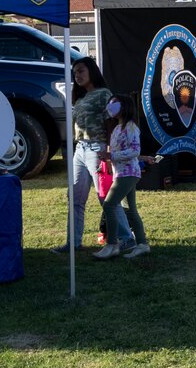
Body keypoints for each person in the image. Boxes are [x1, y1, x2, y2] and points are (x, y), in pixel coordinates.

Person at [56, 59, 111, 254]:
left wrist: (110, 152)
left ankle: (124, 239)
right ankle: (73, 243)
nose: (77, 76)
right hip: (80, 150)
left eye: (81, 71)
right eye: (75, 73)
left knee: (106, 198)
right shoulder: (79, 98)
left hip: (98, 148)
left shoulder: (104, 95)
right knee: (75, 198)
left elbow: (112, 122)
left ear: (92, 71)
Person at [92, 98, 149, 260]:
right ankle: (142, 245)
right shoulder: (117, 128)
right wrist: (108, 157)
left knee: (109, 205)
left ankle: (112, 245)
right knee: (131, 210)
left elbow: (135, 151)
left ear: (125, 107)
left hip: (128, 173)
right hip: (121, 173)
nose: (110, 106)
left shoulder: (131, 128)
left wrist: (112, 156)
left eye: (115, 103)